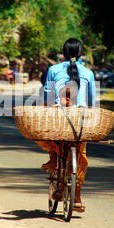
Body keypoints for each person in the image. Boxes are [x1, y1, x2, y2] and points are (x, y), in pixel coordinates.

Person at [36, 38, 96, 213]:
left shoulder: (53, 70)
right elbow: (91, 101)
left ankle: (54, 160)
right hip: (80, 120)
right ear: (80, 54)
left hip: (59, 118)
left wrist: (45, 109)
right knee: (81, 154)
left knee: (49, 135)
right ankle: (76, 197)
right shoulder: (88, 73)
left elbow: (47, 97)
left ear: (63, 54)